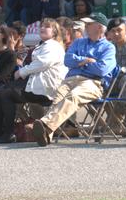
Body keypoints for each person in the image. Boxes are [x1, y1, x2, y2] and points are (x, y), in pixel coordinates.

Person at [28, 17, 116, 146]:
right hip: (71, 79)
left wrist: (79, 63)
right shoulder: (78, 42)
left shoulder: (108, 47)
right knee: (58, 97)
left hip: (93, 82)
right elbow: (67, 60)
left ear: (99, 27)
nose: (85, 26)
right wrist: (87, 60)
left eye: (89, 24)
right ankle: (46, 133)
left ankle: (45, 125)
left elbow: (101, 70)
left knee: (73, 96)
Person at [0, 18, 66, 143]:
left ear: (55, 32)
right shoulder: (42, 45)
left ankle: (8, 133)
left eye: (47, 26)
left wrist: (21, 72)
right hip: (34, 85)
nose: (42, 28)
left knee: (5, 94)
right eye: (41, 26)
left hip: (45, 89)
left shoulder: (53, 46)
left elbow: (42, 63)